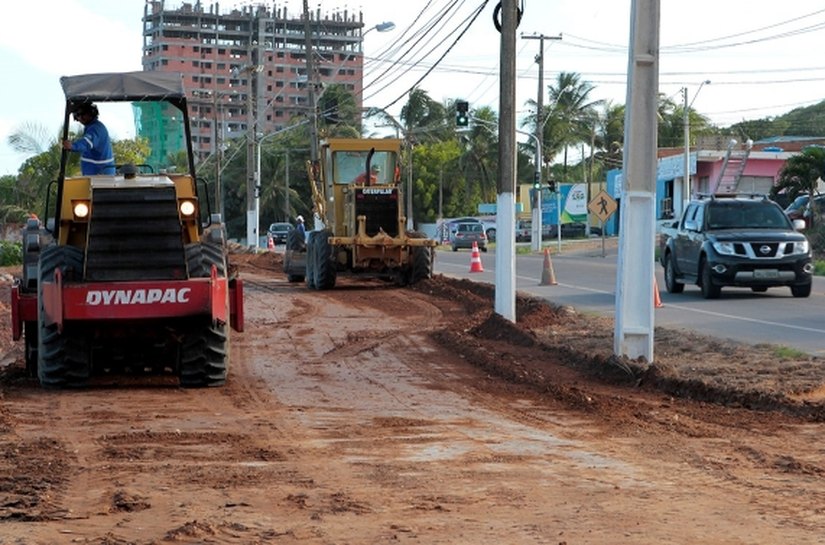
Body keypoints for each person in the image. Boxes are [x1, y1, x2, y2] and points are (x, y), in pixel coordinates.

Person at [62, 103, 115, 175]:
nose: (80, 118)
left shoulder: (95, 129)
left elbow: (86, 143)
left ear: (91, 113)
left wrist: (72, 146)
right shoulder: (92, 127)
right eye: (77, 115)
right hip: (97, 174)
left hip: (99, 175)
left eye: (82, 114)